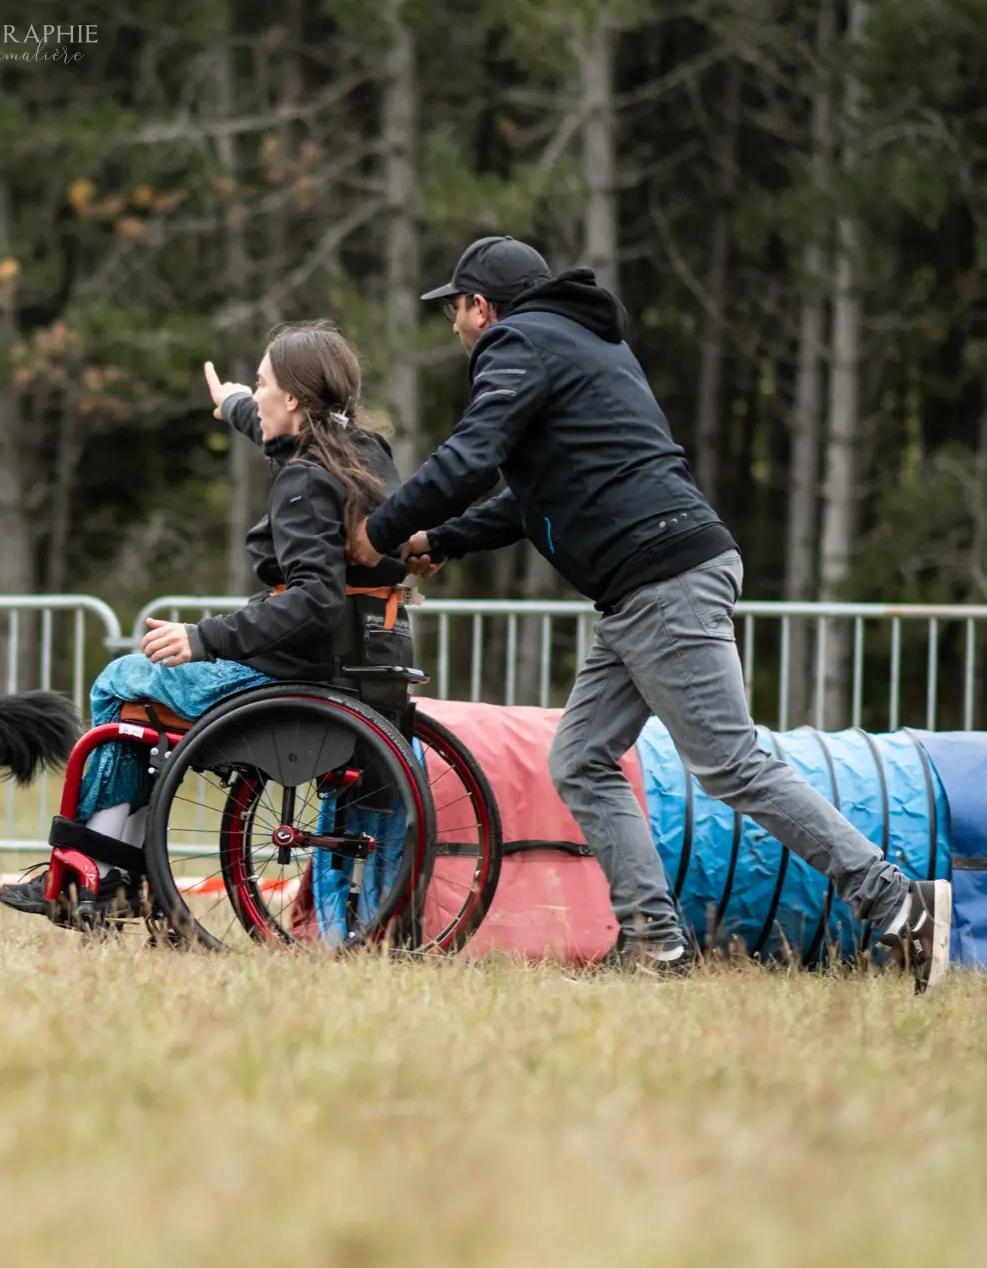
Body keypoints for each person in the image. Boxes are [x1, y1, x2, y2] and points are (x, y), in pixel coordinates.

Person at [346, 233, 952, 991]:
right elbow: (533, 498)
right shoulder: (580, 343)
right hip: (647, 586)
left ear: (479, 306)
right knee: (581, 759)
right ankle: (655, 945)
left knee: (732, 762)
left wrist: (382, 530)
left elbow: (470, 457)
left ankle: (896, 901)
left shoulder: (515, 343)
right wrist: (443, 537)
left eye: (457, 313)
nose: (458, 329)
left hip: (662, 578)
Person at [0, 320, 411, 917]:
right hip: (367, 660)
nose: (257, 391)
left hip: (293, 672)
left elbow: (314, 600)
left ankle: (102, 870)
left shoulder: (301, 481)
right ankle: (118, 870)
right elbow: (279, 433)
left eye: (262, 382)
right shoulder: (363, 454)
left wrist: (203, 638)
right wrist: (235, 404)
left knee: (120, 683)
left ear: (293, 398)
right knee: (140, 693)